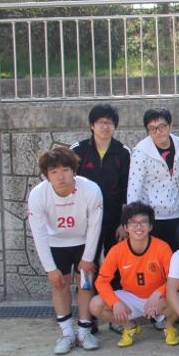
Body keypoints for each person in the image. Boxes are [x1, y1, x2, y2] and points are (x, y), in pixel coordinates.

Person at [28, 147, 104, 354]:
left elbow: (95, 225)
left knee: (85, 284)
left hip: (83, 242)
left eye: (65, 170)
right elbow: (39, 233)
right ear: (46, 175)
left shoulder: (91, 189)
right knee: (59, 284)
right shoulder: (38, 194)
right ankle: (67, 333)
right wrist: (50, 269)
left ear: (74, 170)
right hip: (55, 244)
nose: (60, 176)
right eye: (54, 171)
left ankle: (84, 332)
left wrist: (88, 258)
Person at [90, 202, 176, 348]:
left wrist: (158, 293)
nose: (138, 227)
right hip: (131, 297)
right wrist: (115, 302)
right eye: (133, 223)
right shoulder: (117, 251)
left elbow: (176, 280)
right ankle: (129, 327)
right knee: (95, 304)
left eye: (143, 222)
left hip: (158, 298)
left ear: (150, 226)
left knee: (177, 298)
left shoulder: (162, 247)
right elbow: (101, 281)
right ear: (125, 227)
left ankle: (169, 327)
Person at [71, 103, 130, 258]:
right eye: (100, 122)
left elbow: (127, 189)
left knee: (116, 259)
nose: (105, 126)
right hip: (85, 216)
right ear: (92, 125)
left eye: (109, 122)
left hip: (114, 217)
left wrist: (124, 222)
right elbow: (70, 184)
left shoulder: (123, 152)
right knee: (88, 260)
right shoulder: (78, 150)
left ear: (114, 126)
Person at [127, 108, 179, 252]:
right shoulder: (140, 152)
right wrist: (133, 220)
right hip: (150, 217)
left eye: (162, 126)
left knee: (174, 256)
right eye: (152, 129)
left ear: (170, 125)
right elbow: (134, 187)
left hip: (174, 214)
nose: (158, 132)